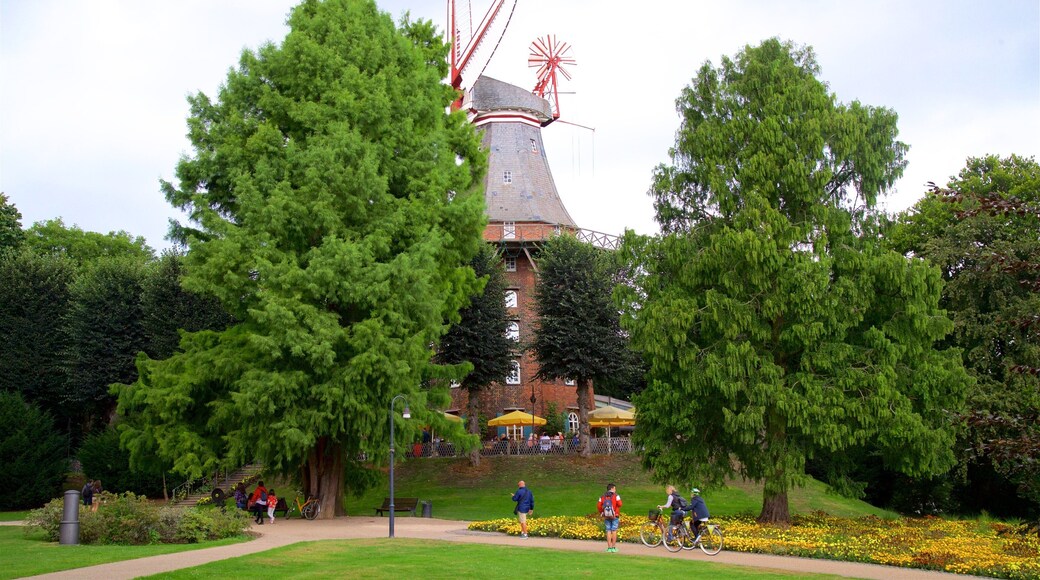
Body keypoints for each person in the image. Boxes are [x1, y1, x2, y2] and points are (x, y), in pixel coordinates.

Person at [597, 483, 622, 552]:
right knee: (614, 530)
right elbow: (620, 504)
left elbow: (598, 505)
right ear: (612, 488)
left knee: (608, 530)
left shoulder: (602, 496)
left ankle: (609, 548)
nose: (615, 490)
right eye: (615, 488)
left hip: (606, 516)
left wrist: (602, 512)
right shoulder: (616, 496)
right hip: (615, 515)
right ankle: (614, 548)